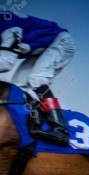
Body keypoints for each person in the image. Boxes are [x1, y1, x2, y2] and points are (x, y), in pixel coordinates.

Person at [0, 11, 75, 145]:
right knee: (19, 86)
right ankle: (35, 122)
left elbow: (7, 61)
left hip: (60, 41)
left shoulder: (4, 20)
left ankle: (60, 129)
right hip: (43, 49)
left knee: (37, 79)